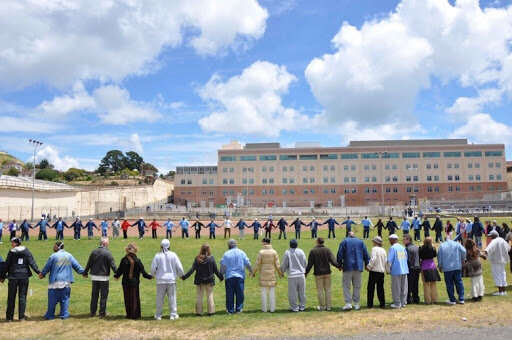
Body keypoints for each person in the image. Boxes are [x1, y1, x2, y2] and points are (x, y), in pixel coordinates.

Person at [39, 241, 85, 320]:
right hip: (66, 281)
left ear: (58, 247)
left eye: (54, 246)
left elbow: (47, 267)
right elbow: (77, 267)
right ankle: (64, 314)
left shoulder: (53, 256)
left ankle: (50, 315)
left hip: (55, 281)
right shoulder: (69, 256)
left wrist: (42, 274)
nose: (53, 248)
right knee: (65, 299)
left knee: (52, 300)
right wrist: (84, 272)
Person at [0, 237, 40, 321]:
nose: (11, 244)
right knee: (22, 296)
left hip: (13, 276)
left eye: (12, 242)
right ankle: (21, 317)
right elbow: (32, 262)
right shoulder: (26, 251)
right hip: (24, 276)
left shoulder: (11, 252)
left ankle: (9, 318)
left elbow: (6, 265)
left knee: (11, 297)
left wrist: (2, 276)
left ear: (16, 243)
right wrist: (38, 272)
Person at [182, 244, 223, 316]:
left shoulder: (198, 258)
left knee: (199, 296)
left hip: (200, 280)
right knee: (210, 295)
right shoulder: (211, 258)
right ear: (208, 250)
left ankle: (199, 312)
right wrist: (220, 277)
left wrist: (185, 276)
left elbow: (192, 269)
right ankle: (211, 312)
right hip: (209, 280)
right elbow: (216, 270)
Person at [114, 243, 152, 319]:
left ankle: (129, 315)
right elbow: (143, 272)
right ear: (135, 250)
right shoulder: (137, 261)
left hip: (125, 282)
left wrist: (116, 276)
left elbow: (119, 271)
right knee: (134, 298)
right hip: (134, 282)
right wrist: (149, 277)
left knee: (127, 298)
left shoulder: (123, 260)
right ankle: (135, 315)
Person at [83, 237, 117, 317]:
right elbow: (113, 265)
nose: (108, 244)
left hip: (94, 276)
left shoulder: (94, 251)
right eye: (108, 242)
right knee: (103, 296)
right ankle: (102, 313)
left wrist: (85, 272)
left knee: (94, 295)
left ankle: (92, 312)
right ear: (105, 243)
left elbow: (89, 263)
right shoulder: (107, 253)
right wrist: (117, 274)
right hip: (103, 277)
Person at [150, 239, 184, 320]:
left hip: (160, 280)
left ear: (161, 246)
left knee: (159, 299)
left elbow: (153, 267)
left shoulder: (157, 255)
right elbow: (179, 266)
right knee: (172, 298)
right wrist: (181, 274)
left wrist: (152, 274)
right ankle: (173, 314)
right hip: (171, 280)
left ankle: (158, 315)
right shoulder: (173, 255)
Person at [337, 231, 370, 310]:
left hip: (347, 266)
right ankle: (356, 303)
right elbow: (366, 253)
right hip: (358, 266)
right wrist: (367, 264)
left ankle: (348, 302)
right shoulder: (360, 242)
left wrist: (339, 264)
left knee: (346, 285)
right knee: (357, 286)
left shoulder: (344, 241)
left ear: (348, 235)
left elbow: (340, 253)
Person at [305, 238, 340, 311]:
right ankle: (329, 306)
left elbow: (310, 264)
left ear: (317, 242)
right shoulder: (327, 250)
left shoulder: (313, 251)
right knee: (328, 289)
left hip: (318, 273)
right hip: (327, 272)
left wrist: (306, 272)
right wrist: (339, 266)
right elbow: (333, 261)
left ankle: (322, 306)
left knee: (320, 290)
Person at [220, 239, 253, 314]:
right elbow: (247, 263)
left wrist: (221, 275)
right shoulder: (242, 252)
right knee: (240, 293)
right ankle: (239, 308)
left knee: (229, 294)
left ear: (229, 246)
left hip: (229, 276)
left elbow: (223, 266)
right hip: (240, 276)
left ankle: (230, 309)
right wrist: (252, 271)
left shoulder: (226, 254)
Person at [252, 238, 283, 313]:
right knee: (272, 292)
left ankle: (264, 309)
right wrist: (280, 273)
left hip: (263, 275)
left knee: (263, 293)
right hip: (272, 274)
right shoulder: (274, 252)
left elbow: (257, 264)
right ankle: (272, 309)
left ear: (265, 243)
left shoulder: (261, 252)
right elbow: (277, 264)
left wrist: (253, 272)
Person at [438, 234, 466, 305]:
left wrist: (440, 266)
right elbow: (464, 251)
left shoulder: (442, 246)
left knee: (449, 283)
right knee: (459, 282)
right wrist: (463, 259)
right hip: (457, 266)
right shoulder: (457, 244)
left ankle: (452, 299)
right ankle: (461, 298)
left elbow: (440, 257)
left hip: (447, 268)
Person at [281, 239, 307, 312]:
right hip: (301, 274)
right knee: (302, 292)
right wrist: (305, 271)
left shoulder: (287, 252)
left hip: (292, 275)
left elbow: (284, 264)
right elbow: (305, 262)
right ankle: (302, 306)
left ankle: (294, 307)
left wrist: (282, 272)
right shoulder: (301, 251)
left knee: (292, 293)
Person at [386, 234, 409, 308]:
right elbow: (406, 258)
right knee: (404, 287)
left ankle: (397, 303)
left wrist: (388, 270)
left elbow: (389, 260)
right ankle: (403, 302)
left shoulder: (393, 248)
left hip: (396, 270)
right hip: (404, 269)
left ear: (393, 239)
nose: (389, 241)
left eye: (390, 240)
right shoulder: (402, 247)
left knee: (396, 288)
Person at [485, 230, 510, 296]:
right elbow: (508, 248)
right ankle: (504, 291)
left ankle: (500, 291)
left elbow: (488, 249)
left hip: (496, 261)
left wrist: (485, 254)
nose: (490, 237)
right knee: (503, 274)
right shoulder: (502, 240)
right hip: (503, 260)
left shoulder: (494, 241)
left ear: (494, 236)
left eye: (491, 236)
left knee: (497, 275)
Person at [418, 237, 441, 304]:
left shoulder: (421, 248)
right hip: (432, 266)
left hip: (424, 266)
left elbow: (420, 256)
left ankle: (427, 300)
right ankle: (434, 299)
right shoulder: (433, 248)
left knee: (426, 284)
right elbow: (435, 255)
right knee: (433, 284)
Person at [366, 236, 386, 309]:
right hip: (381, 271)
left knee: (371, 288)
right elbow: (385, 260)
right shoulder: (383, 250)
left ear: (375, 242)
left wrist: (369, 266)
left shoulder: (374, 249)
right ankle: (382, 303)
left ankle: (370, 304)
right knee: (380, 288)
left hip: (374, 271)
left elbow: (373, 259)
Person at [403, 234, 420, 304]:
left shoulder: (407, 248)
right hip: (417, 267)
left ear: (409, 240)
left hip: (411, 268)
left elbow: (408, 259)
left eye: (404, 239)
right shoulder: (416, 247)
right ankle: (416, 298)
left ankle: (409, 298)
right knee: (415, 284)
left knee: (409, 284)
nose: (403, 241)